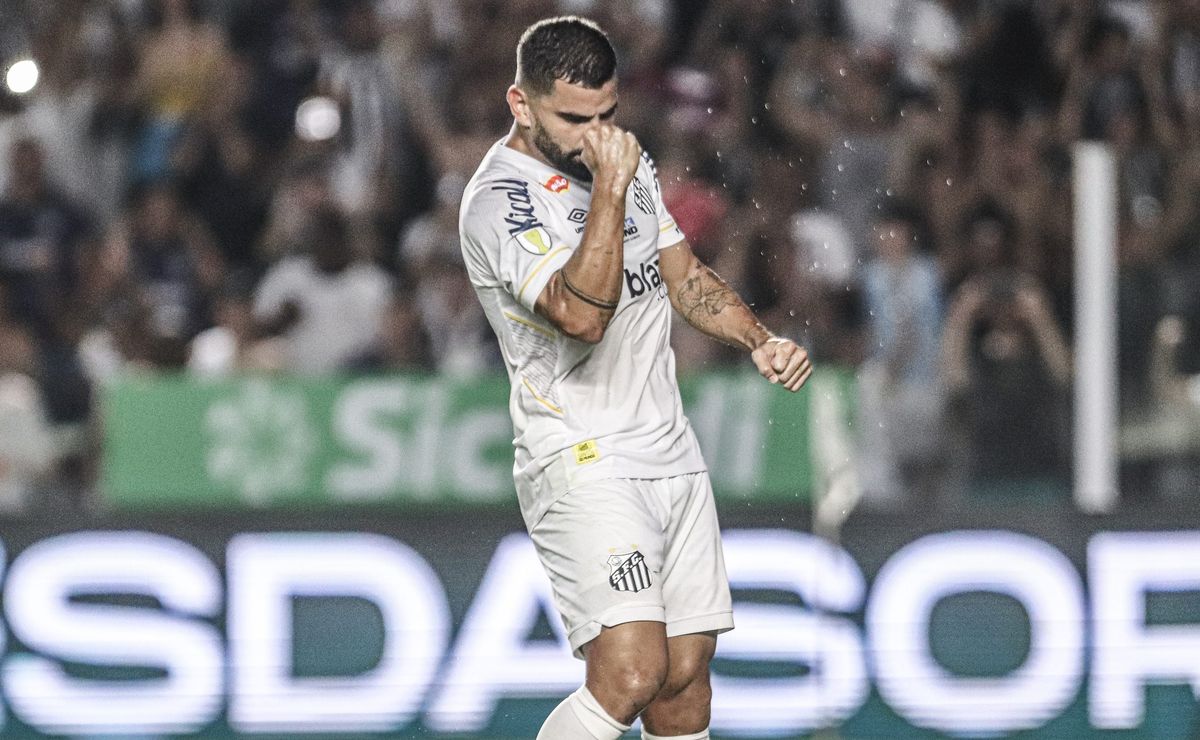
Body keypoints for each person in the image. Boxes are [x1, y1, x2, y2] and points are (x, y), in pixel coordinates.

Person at [458, 17, 811, 740]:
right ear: (520, 105)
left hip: (668, 448)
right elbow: (580, 316)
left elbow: (683, 278)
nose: (598, 134)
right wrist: (612, 192)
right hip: (581, 453)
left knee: (684, 682)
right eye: (575, 118)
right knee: (630, 670)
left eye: (609, 114)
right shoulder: (502, 201)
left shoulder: (627, 162)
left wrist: (758, 338)